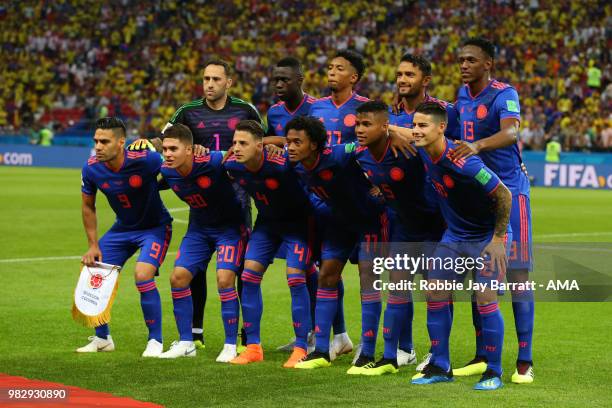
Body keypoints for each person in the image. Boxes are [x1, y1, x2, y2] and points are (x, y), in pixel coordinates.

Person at [160, 59, 265, 349]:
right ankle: (194, 333)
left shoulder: (245, 110)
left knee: (239, 271)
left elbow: (261, 144)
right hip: (202, 201)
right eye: (206, 79)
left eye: (216, 79)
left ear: (228, 82)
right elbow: (166, 140)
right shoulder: (187, 112)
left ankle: (245, 336)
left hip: (237, 199)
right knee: (194, 269)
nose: (210, 84)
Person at [409, 102, 512, 391]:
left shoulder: (464, 162)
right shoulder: (424, 148)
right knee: (435, 290)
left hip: (487, 237)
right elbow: (400, 133)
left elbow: (504, 194)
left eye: (422, 125)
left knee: (485, 296)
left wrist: (498, 240)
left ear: (441, 128)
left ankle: (493, 371)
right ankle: (440, 365)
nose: (416, 131)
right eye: (415, 125)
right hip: (455, 237)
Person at [451, 37, 534, 384]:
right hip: (478, 197)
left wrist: (478, 145)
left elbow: (512, 131)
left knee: (517, 275)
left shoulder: (504, 93)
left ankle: (525, 361)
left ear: (488, 64)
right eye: (461, 60)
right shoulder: (460, 96)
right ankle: (483, 354)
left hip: (512, 194)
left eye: (471, 60)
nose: (464, 65)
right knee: (479, 275)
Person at [349, 101, 445, 375]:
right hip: (403, 227)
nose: (359, 129)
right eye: (357, 124)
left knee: (435, 292)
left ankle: (438, 355)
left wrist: (397, 131)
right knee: (397, 287)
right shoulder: (359, 154)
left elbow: (438, 151)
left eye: (366, 124)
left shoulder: (407, 149)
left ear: (383, 126)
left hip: (433, 227)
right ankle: (389, 357)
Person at [287, 116, 388, 374]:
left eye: (297, 142)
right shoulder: (298, 166)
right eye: (289, 141)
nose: (291, 146)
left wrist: (381, 185)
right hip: (339, 223)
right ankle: (321, 350)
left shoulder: (339, 154)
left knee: (368, 279)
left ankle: (366, 352)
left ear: (314, 144)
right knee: (327, 276)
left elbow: (374, 145)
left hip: (370, 221)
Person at [77, 117, 172, 357]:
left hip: (155, 228)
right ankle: (102, 338)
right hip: (123, 229)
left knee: (142, 275)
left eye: (104, 141)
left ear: (121, 142)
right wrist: (92, 245)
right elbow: (88, 206)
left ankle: (155, 341)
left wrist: (158, 182)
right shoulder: (91, 168)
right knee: (95, 272)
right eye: (96, 141)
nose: (98, 146)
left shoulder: (146, 160)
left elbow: (174, 168)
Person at [388, 53, 460, 372]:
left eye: (409, 75)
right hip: (404, 214)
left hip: (438, 214)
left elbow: (454, 147)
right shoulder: (391, 112)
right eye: (399, 75)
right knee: (399, 282)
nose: (403, 80)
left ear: (425, 79)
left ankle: (438, 351)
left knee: (437, 286)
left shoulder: (444, 112)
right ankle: (405, 349)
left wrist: (389, 128)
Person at [224, 120, 313, 368]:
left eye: (243, 143)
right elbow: (210, 158)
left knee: (296, 277)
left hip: (299, 225)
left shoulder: (284, 164)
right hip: (268, 225)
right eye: (234, 143)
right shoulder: (233, 165)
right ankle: (253, 347)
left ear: (260, 145)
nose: (236, 148)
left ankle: (301, 348)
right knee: (249, 276)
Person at [156, 124, 247, 362]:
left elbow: (242, 157)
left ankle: (230, 345)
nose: (167, 154)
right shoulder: (166, 171)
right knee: (178, 277)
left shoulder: (213, 161)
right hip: (199, 230)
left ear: (189, 149)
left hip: (229, 229)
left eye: (173, 148)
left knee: (225, 279)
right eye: (165, 149)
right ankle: (187, 342)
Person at [266, 57, 319, 353]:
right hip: (287, 197)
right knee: (303, 270)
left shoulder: (316, 108)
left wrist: (274, 140)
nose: (278, 85)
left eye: (284, 80)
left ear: (300, 79)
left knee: (322, 268)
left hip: (315, 196)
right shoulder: (274, 111)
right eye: (275, 79)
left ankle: (332, 335)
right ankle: (308, 334)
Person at [308, 50, 370, 145]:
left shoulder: (367, 107)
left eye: (339, 69)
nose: (331, 73)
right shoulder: (316, 106)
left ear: (353, 78)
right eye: (330, 68)